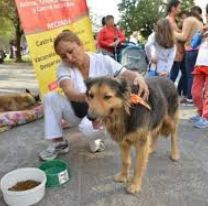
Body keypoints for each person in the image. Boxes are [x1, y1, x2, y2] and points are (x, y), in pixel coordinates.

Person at [39, 30, 149, 161]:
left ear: (80, 45)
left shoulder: (102, 60)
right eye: (63, 56)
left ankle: (98, 137)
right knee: (50, 97)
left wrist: (139, 78)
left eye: (71, 51)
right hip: (76, 111)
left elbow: (126, 73)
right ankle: (58, 143)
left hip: (100, 112)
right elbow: (68, 91)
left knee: (88, 129)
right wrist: (87, 97)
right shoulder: (63, 68)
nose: (69, 58)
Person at [174, 6, 203, 106]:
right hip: (198, 51)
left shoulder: (188, 20)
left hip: (190, 50)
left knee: (190, 75)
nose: (182, 19)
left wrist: (171, 32)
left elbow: (184, 37)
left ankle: (190, 98)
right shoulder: (199, 22)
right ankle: (193, 97)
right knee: (195, 75)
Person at [190, 5, 208, 129]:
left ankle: (206, 117)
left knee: (207, 94)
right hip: (199, 65)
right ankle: (201, 112)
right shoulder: (203, 30)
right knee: (195, 93)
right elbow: (193, 44)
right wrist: (200, 34)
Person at [166, 0, 188, 97]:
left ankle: (178, 93)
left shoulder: (173, 20)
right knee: (173, 75)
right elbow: (174, 36)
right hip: (175, 53)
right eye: (178, 7)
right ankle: (168, 94)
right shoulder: (169, 21)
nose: (180, 9)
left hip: (180, 52)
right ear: (173, 8)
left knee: (186, 73)